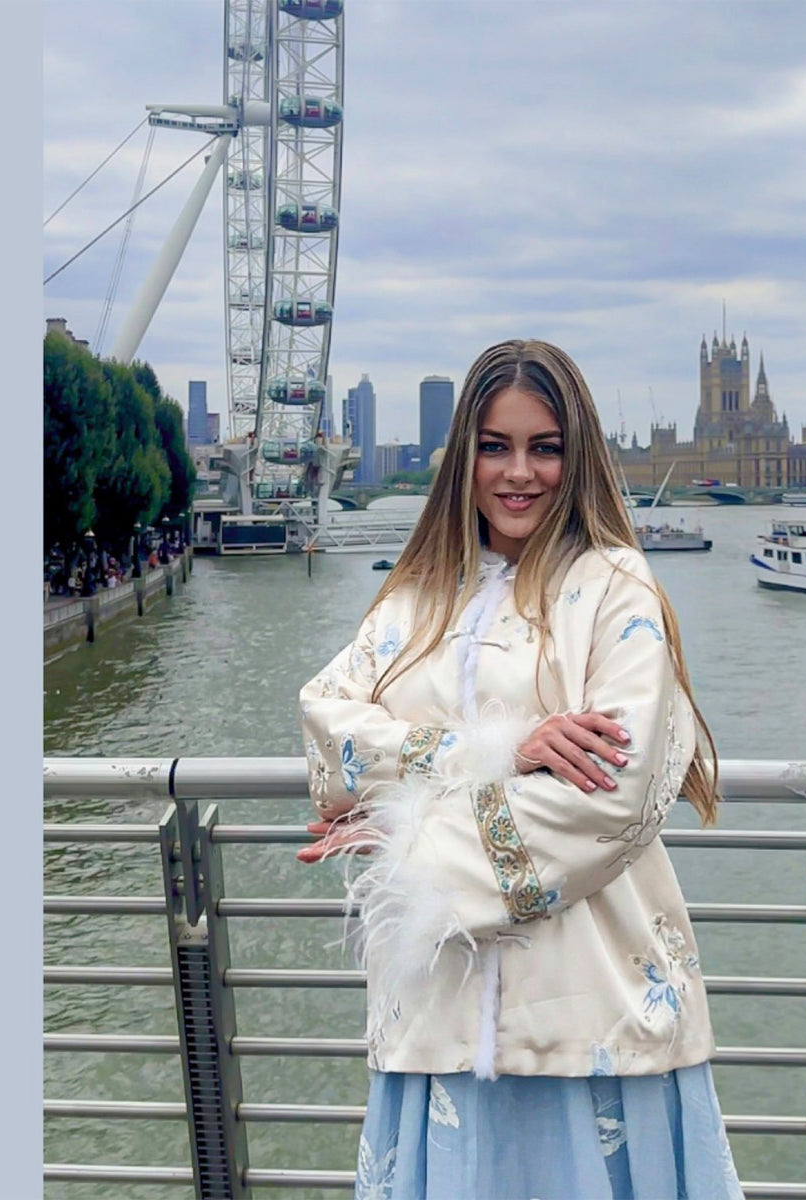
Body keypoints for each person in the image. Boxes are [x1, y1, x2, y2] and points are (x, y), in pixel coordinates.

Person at [298, 340, 741, 1199]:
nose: (519, 473)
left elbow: (612, 795)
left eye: (545, 447)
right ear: (462, 454)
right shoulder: (416, 596)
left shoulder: (616, 589)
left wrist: (410, 845)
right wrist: (493, 755)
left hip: (591, 1013)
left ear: (579, 459)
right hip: (439, 1014)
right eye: (495, 446)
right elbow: (327, 728)